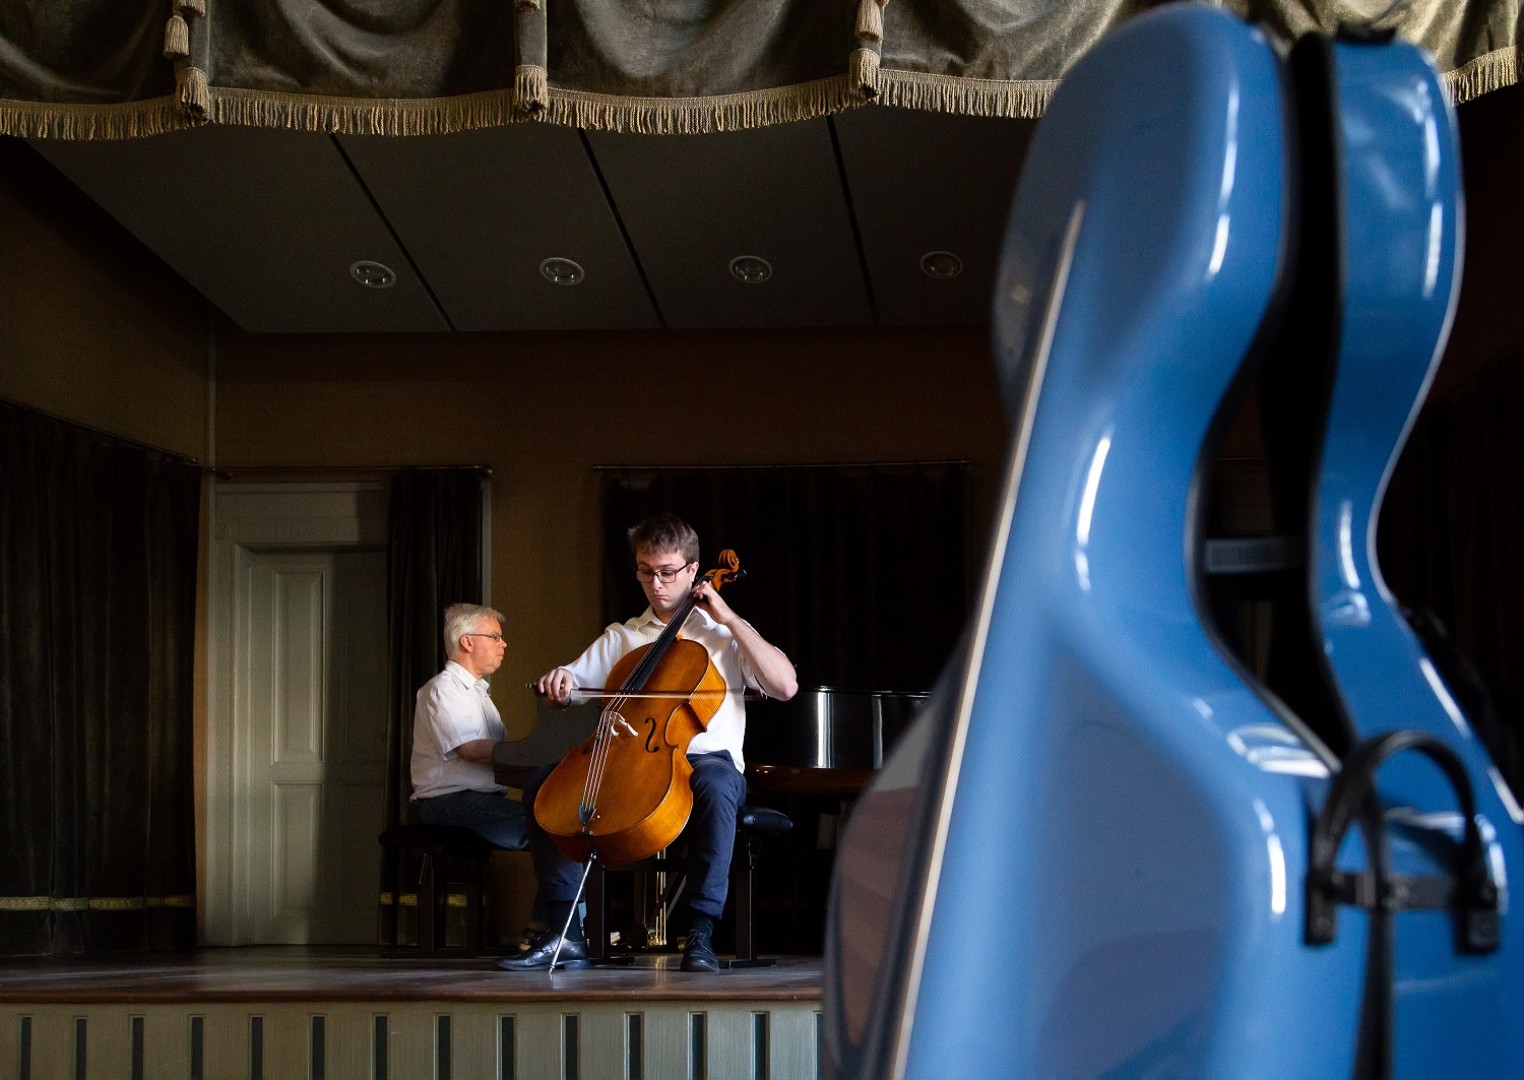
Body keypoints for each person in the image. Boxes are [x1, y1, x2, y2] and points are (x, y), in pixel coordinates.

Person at [501, 513, 798, 972]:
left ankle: (700, 931)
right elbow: (572, 685)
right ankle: (565, 930)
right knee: (545, 786)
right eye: (645, 571)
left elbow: (785, 686)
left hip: (706, 762)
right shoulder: (623, 637)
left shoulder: (724, 636)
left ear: (693, 570)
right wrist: (561, 682)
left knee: (718, 786)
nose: (655, 584)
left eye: (667, 572)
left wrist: (728, 617)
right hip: (627, 762)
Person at [410, 603, 528, 850]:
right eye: (495, 637)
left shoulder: (479, 694)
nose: (504, 644)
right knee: (548, 826)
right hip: (448, 803)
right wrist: (529, 754)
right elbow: (470, 750)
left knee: (557, 820)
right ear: (467, 642)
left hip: (474, 800)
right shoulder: (443, 689)